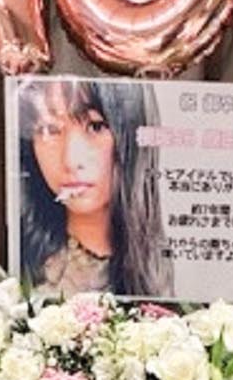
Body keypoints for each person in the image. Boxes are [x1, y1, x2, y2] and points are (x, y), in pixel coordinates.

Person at [17, 76, 170, 297]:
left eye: (95, 127)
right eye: (50, 129)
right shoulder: (21, 266)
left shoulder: (165, 266)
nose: (71, 160)